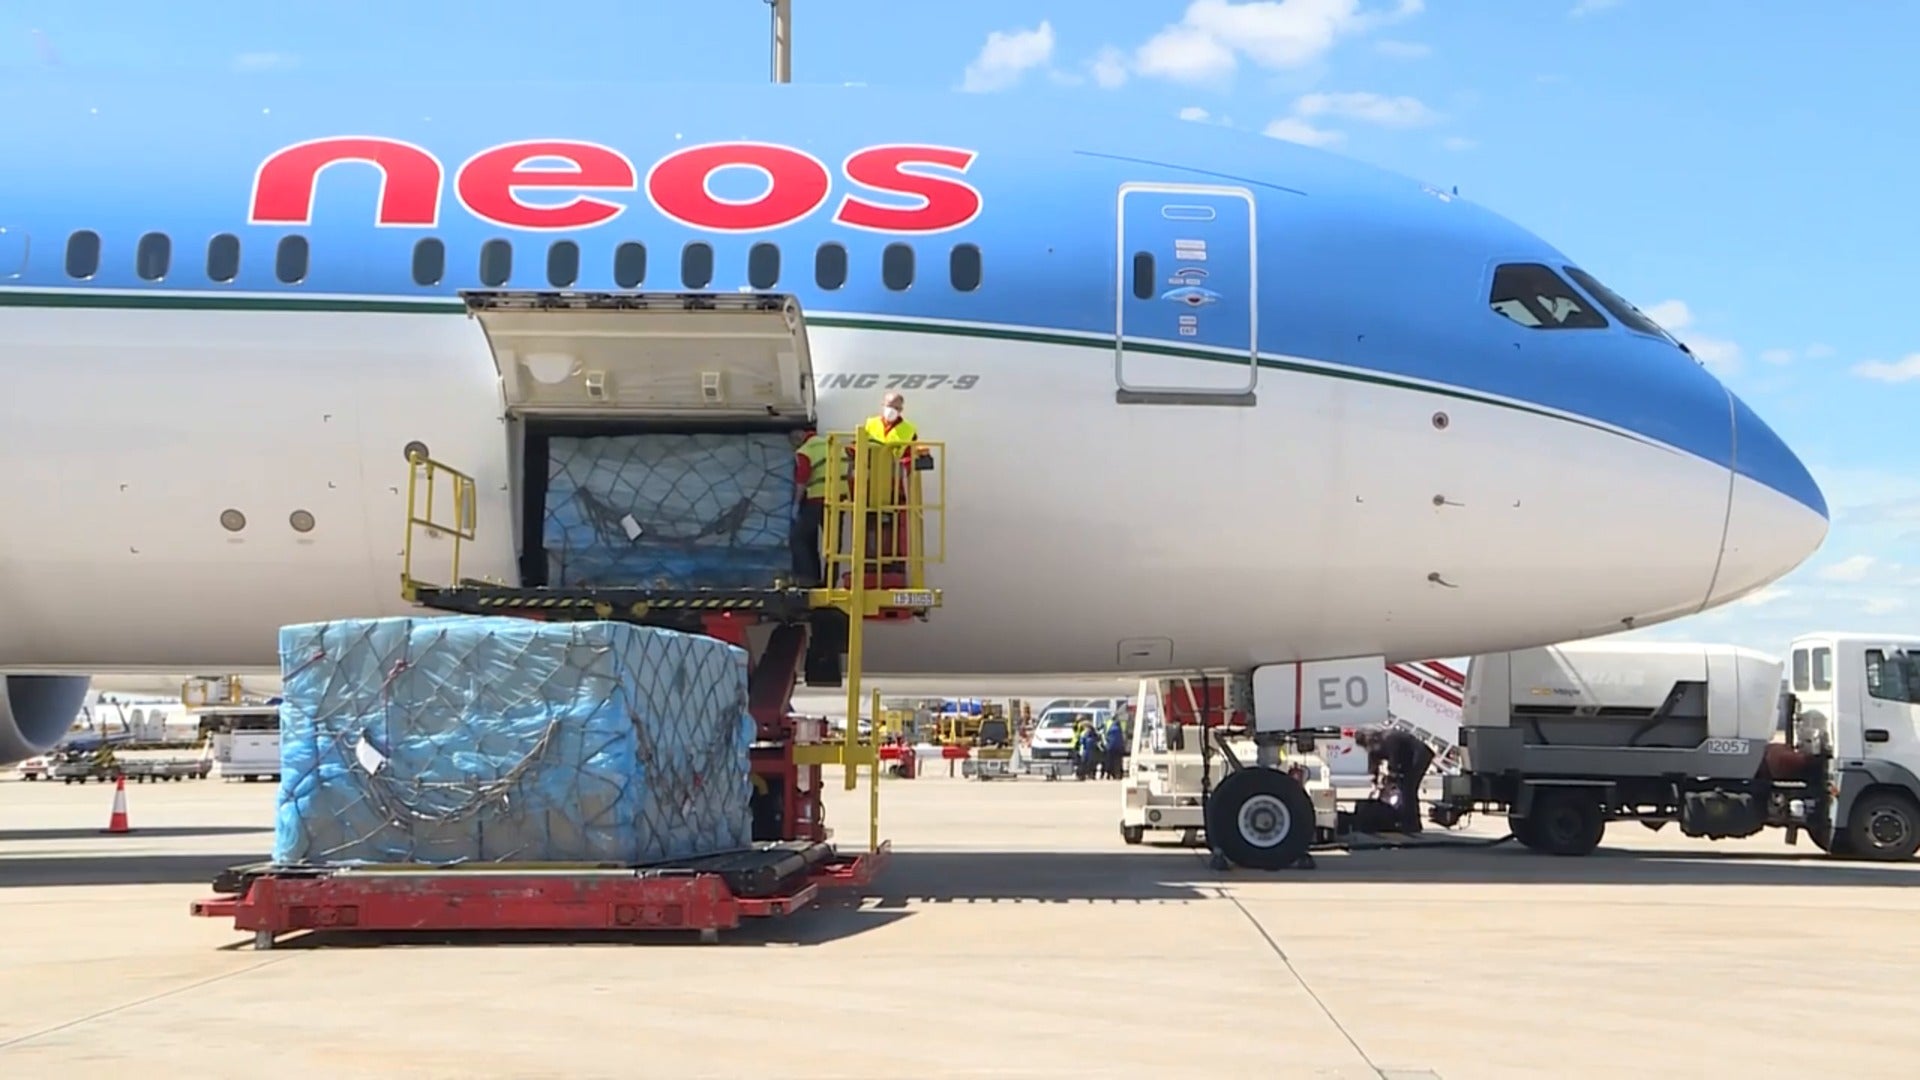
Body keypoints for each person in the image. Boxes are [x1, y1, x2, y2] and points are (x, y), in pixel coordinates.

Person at [1353, 725, 1436, 832]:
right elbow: (1373, 762)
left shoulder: (1388, 738)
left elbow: (1395, 758)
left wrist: (1392, 775)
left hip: (1420, 754)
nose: (1366, 749)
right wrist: (1375, 781)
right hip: (1409, 757)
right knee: (1405, 787)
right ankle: (1406, 819)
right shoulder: (1375, 745)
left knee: (1408, 788)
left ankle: (1412, 823)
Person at [788, 426, 830, 587]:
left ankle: (807, 579)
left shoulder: (805, 451)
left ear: (798, 440)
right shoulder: (829, 444)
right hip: (838, 501)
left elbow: (802, 480)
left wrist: (796, 503)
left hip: (817, 500)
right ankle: (829, 582)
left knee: (798, 538)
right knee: (832, 547)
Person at [1102, 715, 1126, 780]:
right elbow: (1121, 738)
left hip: (1110, 746)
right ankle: (1117, 774)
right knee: (1118, 761)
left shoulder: (1108, 725)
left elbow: (1105, 736)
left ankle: (1108, 774)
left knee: (1109, 761)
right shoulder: (1119, 728)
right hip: (1118, 747)